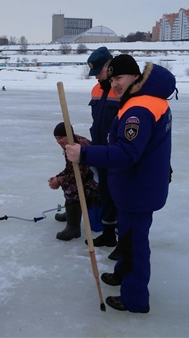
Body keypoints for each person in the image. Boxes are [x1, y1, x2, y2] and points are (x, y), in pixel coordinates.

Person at [65, 54, 175, 313]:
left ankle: (135, 299)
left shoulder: (138, 110)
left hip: (138, 190)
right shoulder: (146, 101)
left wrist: (84, 154)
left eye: (120, 78)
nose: (115, 84)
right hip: (139, 186)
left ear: (136, 76)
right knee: (127, 239)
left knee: (134, 245)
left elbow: (126, 154)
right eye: (112, 78)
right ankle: (121, 274)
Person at [85, 46, 120, 260]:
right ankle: (108, 234)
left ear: (109, 66)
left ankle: (123, 240)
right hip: (100, 150)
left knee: (120, 197)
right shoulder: (97, 89)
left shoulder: (123, 88)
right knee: (106, 194)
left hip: (118, 153)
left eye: (99, 70)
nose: (97, 75)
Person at [48, 122, 99, 241]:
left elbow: (79, 176)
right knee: (67, 183)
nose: (58, 141)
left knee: (73, 188)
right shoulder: (70, 145)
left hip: (98, 182)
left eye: (60, 138)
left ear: (69, 135)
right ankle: (71, 214)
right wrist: (57, 178)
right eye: (56, 139)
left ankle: (73, 228)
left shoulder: (80, 146)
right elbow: (69, 169)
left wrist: (59, 180)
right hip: (87, 177)